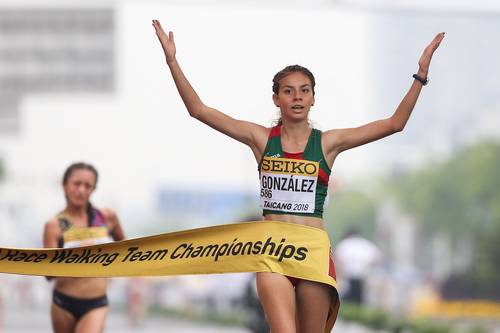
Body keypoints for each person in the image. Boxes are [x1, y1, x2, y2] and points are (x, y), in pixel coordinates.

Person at [152, 19, 444, 333]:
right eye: (288, 91)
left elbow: (394, 124)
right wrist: (172, 61)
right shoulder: (261, 139)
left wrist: (420, 75)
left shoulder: (328, 143)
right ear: (276, 98)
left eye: (304, 91)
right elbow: (198, 109)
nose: (297, 97)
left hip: (313, 252)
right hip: (273, 252)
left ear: (313, 98)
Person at [43, 162, 125, 333]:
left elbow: (125, 249)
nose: (81, 190)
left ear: (94, 189)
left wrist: (108, 266)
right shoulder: (54, 225)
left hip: (96, 302)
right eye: (76, 184)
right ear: (64, 185)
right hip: (63, 303)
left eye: (88, 186)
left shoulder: (107, 217)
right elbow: (48, 275)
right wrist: (77, 255)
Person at [334, 228, 382, 304]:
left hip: (349, 277)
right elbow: (377, 258)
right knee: (360, 300)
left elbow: (338, 259)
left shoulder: (345, 244)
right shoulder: (366, 244)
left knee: (348, 300)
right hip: (363, 278)